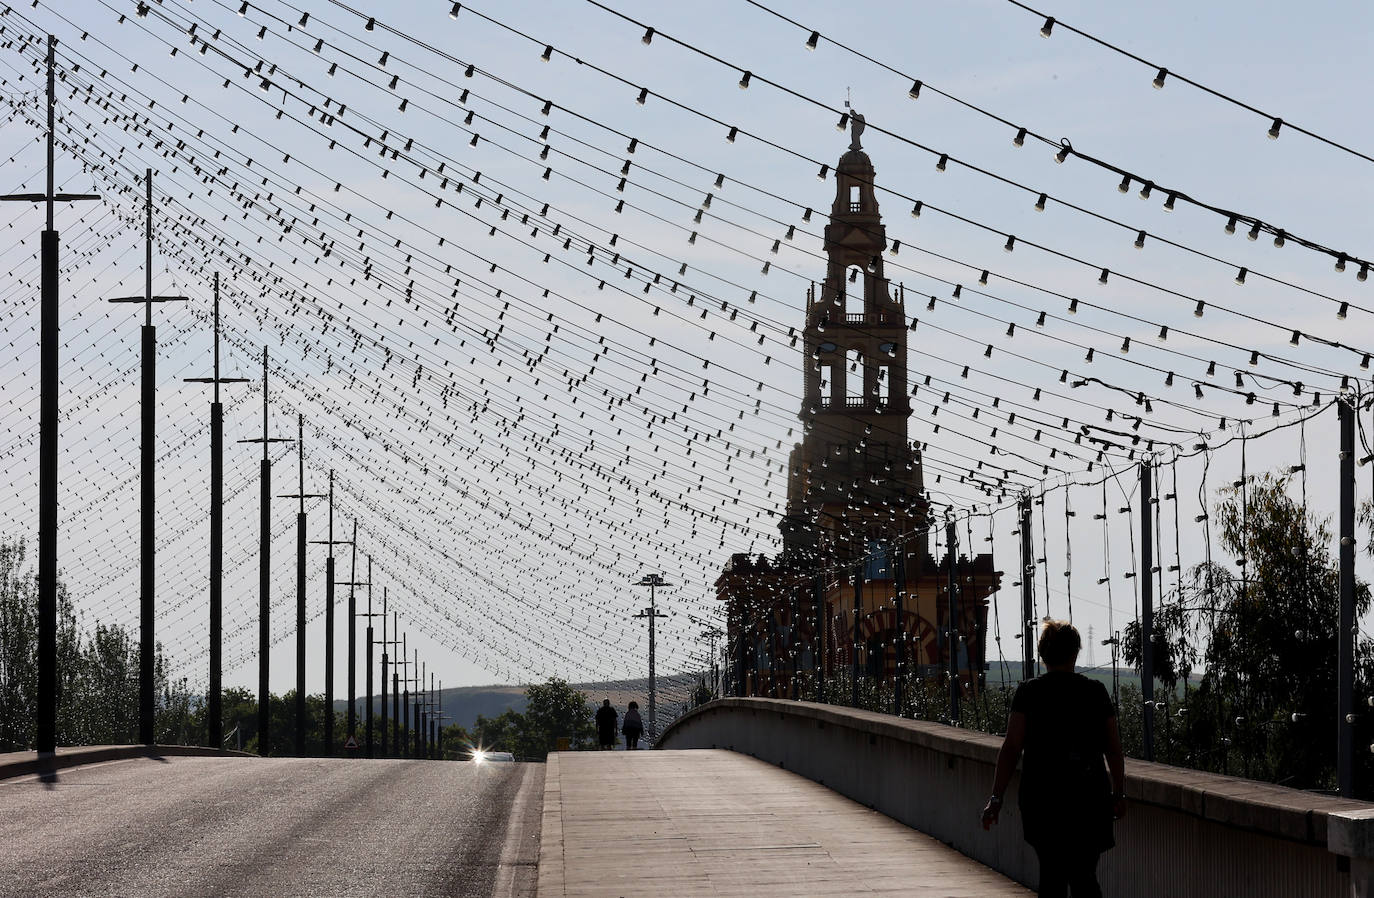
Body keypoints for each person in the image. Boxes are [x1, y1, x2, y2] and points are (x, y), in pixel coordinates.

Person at [981, 620, 1126, 898]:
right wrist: (1118, 792)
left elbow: (1011, 747)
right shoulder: (1095, 692)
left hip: (1042, 800)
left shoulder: (1029, 692)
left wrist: (996, 798)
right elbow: (1113, 749)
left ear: (1043, 654)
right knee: (1084, 875)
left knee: (1052, 874)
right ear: (1075, 654)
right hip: (1089, 798)